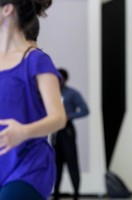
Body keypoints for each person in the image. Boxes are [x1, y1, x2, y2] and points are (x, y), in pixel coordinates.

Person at [0, 0, 67, 199]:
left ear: (7, 9)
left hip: (28, 168)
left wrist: (23, 132)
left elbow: (58, 118)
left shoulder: (36, 60)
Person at [52, 68, 89, 200]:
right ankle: (55, 193)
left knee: (72, 162)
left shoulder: (72, 93)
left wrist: (69, 116)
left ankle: (76, 193)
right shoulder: (51, 93)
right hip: (56, 132)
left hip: (67, 131)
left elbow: (85, 110)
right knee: (56, 164)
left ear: (65, 80)